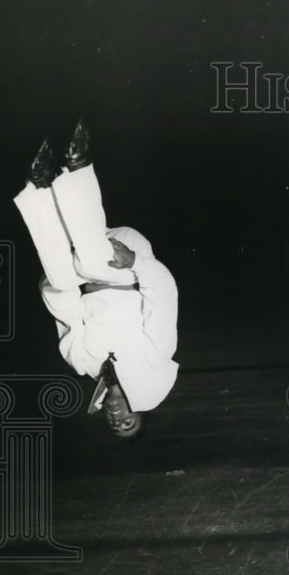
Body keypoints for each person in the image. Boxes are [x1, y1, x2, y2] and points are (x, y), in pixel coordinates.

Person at [13, 119, 179, 438]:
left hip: (83, 263)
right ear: (141, 410)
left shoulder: (84, 364)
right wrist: (136, 262)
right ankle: (78, 163)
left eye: (114, 426)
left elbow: (65, 313)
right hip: (129, 264)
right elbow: (164, 296)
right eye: (128, 423)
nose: (117, 420)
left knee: (60, 279)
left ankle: (39, 182)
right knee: (91, 259)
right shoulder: (155, 362)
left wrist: (56, 279)